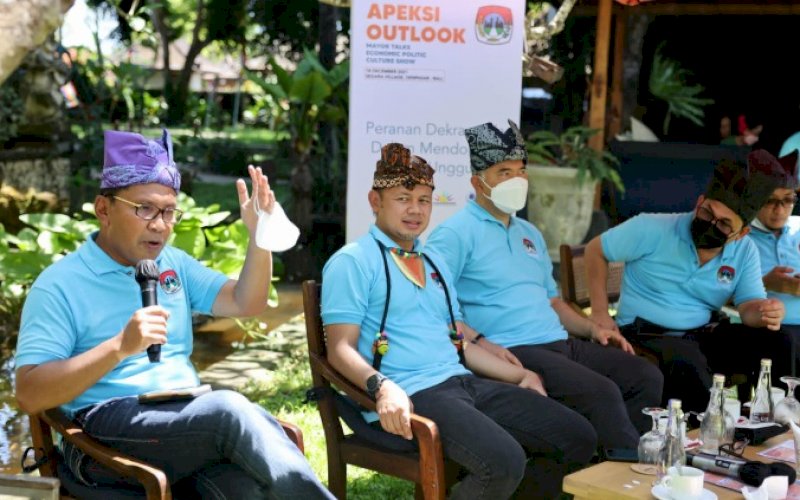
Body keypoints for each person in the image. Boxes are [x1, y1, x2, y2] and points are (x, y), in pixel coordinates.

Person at [15, 130, 333, 499]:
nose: (159, 224)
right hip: (99, 435)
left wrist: (259, 238)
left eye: (168, 212)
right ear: (104, 209)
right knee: (229, 411)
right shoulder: (58, 285)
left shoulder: (172, 264)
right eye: (144, 209)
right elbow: (29, 394)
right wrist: (119, 347)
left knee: (244, 490)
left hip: (180, 422)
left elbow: (247, 302)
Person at [322, 143, 596, 499]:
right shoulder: (353, 261)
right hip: (413, 393)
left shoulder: (432, 263)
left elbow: (459, 345)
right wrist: (383, 388)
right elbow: (338, 349)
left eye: (424, 200)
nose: (415, 210)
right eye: (403, 198)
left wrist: (521, 375)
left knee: (577, 435)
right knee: (503, 461)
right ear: (376, 201)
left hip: (463, 383)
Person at [425, 120, 663, 452]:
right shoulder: (454, 234)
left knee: (643, 375)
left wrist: (592, 328)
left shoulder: (529, 232)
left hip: (561, 342)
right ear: (477, 183)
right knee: (601, 392)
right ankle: (624, 476)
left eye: (521, 170)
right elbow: (437, 307)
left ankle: (621, 462)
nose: (517, 180)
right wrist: (480, 342)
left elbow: (554, 302)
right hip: (514, 350)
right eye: (504, 172)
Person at [584, 150, 788, 412]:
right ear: (699, 202)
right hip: (644, 333)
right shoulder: (652, 228)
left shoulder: (744, 249)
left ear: (741, 233)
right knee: (686, 359)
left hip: (703, 334)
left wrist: (765, 312)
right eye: (707, 214)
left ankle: (781, 424)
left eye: (724, 225)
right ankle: (705, 434)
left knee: (779, 340)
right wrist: (600, 313)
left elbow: (748, 307)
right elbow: (595, 250)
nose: (711, 224)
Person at [748, 150, 800, 375]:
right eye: (770, 201)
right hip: (769, 328)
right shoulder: (740, 236)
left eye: (787, 200)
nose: (780, 210)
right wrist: (766, 283)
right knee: (786, 341)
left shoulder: (797, 230)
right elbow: (719, 292)